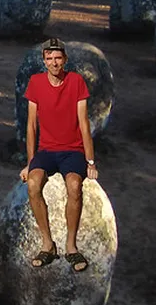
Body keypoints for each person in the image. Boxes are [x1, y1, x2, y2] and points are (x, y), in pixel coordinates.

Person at [19, 37, 98, 272]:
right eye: (49, 58)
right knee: (33, 184)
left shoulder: (76, 82)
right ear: (44, 61)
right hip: (46, 150)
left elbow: (84, 123)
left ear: (65, 60)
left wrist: (90, 161)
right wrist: (30, 163)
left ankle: (71, 247)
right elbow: (31, 125)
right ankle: (47, 244)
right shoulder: (35, 83)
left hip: (72, 149)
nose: (54, 63)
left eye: (58, 58)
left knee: (74, 185)